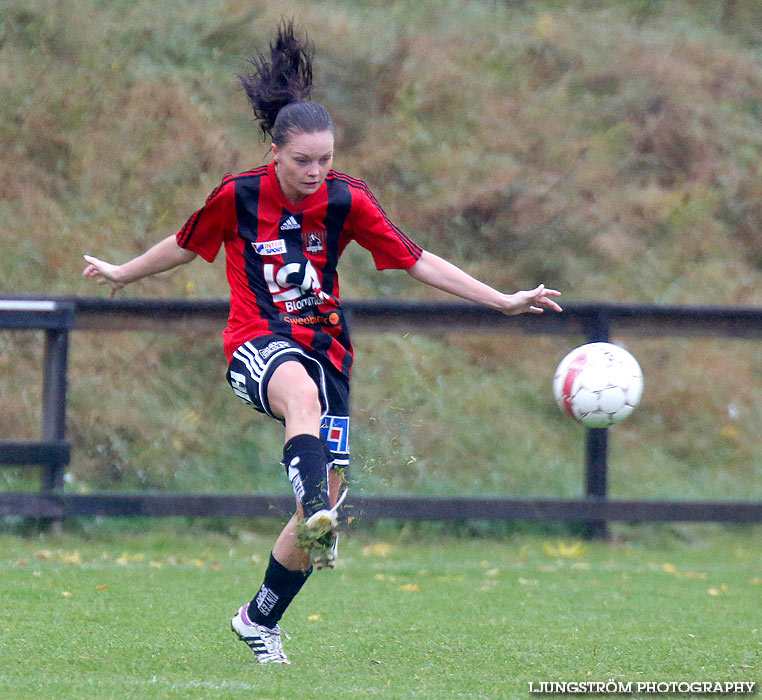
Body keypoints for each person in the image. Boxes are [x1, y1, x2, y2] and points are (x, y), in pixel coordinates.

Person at [82, 21, 562, 665]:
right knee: (300, 406)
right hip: (257, 343)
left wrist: (501, 298)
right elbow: (183, 242)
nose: (315, 171)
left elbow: (418, 259)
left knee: (328, 502)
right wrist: (120, 271)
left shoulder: (347, 200)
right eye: (302, 160)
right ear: (275, 152)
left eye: (325, 159)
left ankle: (259, 618)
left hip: (329, 348)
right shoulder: (238, 195)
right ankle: (312, 504)